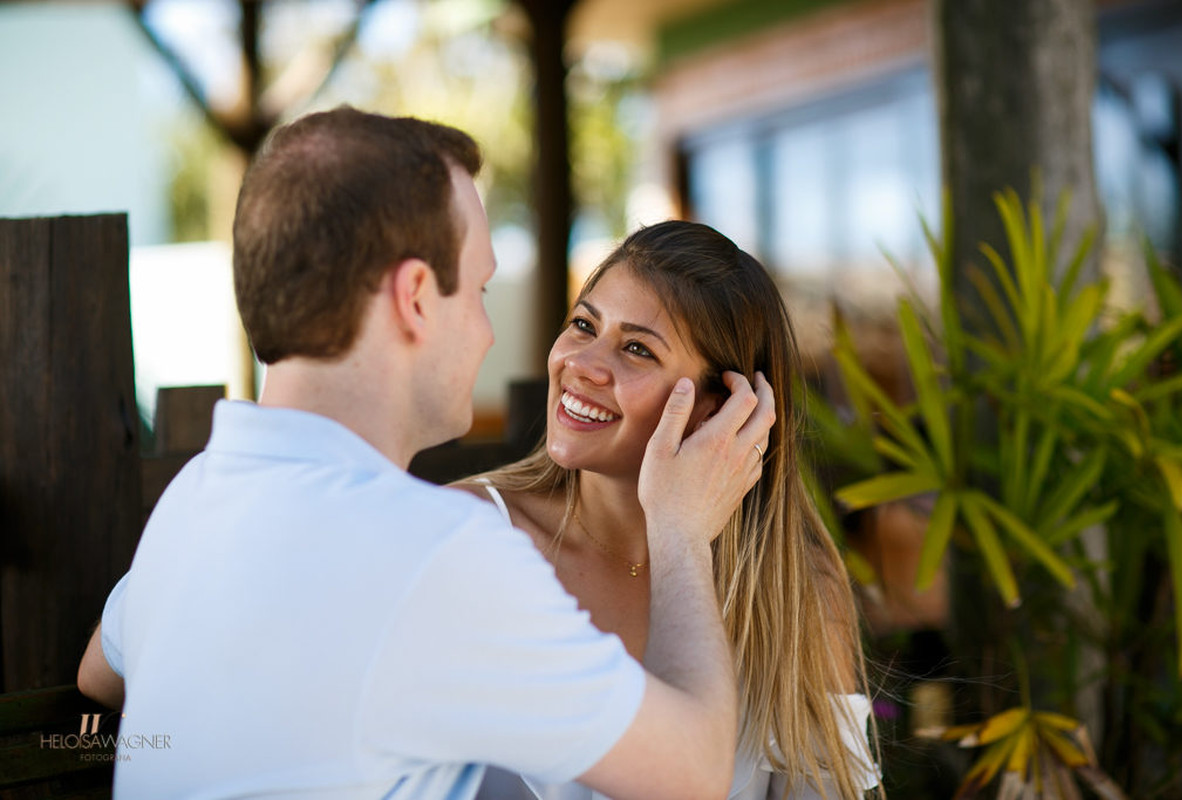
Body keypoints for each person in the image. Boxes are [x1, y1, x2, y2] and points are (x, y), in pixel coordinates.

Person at [75, 107, 776, 799]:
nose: (487, 334)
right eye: (477, 291)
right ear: (415, 297)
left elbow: (96, 679)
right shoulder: (438, 553)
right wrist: (682, 534)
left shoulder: (196, 499)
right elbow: (694, 774)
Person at [458, 221, 880, 800]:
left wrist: (678, 533)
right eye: (584, 324)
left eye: (636, 349)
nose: (583, 363)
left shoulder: (795, 588)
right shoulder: (466, 537)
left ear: (723, 409)